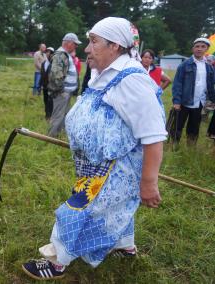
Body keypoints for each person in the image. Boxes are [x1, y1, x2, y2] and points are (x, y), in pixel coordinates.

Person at [22, 17, 167, 281]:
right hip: (94, 165)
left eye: (94, 41)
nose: (87, 49)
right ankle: (125, 245)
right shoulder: (103, 74)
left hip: (112, 169)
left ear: (115, 45)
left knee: (78, 210)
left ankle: (57, 260)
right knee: (112, 209)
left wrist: (148, 181)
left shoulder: (133, 80)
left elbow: (153, 134)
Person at [171, 38, 215, 145]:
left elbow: (211, 86)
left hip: (200, 102)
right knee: (177, 126)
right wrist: (176, 101)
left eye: (202, 47)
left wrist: (213, 100)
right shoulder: (185, 64)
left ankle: (191, 148)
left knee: (194, 127)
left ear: (207, 49)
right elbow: (177, 83)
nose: (199, 49)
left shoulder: (209, 67)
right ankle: (174, 146)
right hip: (184, 101)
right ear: (193, 49)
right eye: (197, 46)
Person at [47, 33, 81, 137]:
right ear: (69, 43)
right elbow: (56, 74)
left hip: (66, 92)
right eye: (75, 44)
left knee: (64, 115)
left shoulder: (66, 55)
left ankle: (58, 135)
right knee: (58, 116)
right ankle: (51, 137)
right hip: (62, 92)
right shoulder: (60, 55)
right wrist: (61, 90)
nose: (76, 46)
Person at [40, 47, 55, 120]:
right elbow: (42, 74)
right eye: (47, 52)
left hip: (51, 86)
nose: (48, 53)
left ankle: (50, 115)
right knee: (45, 100)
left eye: (50, 52)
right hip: (44, 85)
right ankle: (47, 114)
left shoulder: (54, 64)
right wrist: (40, 85)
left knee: (50, 101)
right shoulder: (43, 63)